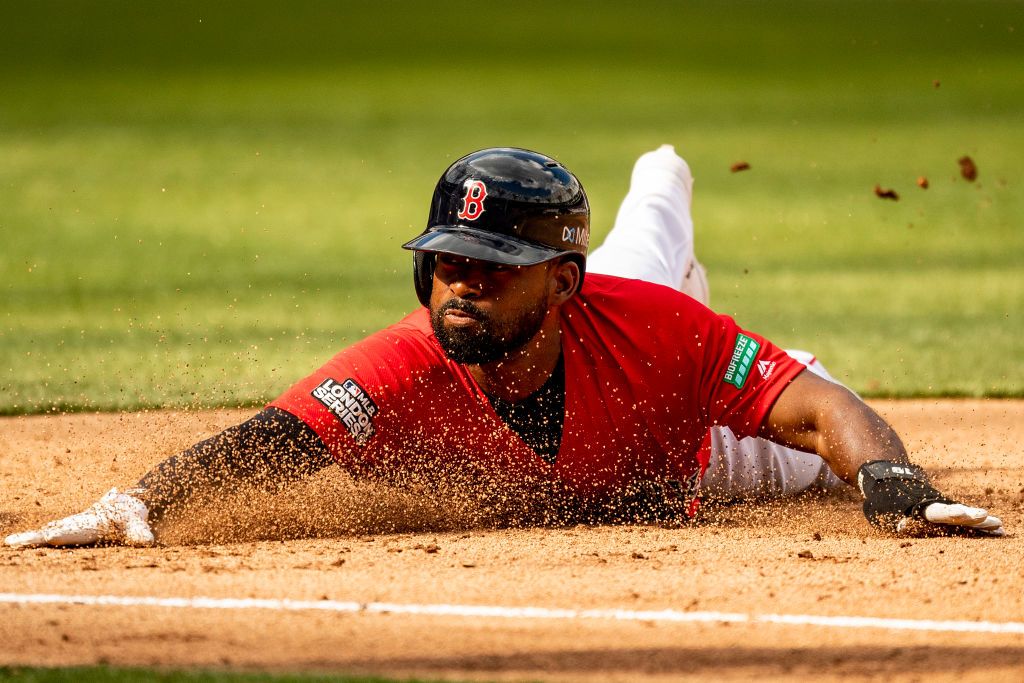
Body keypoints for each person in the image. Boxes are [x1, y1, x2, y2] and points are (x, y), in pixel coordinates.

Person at [4, 146, 1004, 548]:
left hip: (692, 426)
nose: (461, 279)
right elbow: (277, 439)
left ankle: (664, 168)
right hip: (610, 322)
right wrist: (137, 500)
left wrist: (886, 474)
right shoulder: (398, 363)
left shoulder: (651, 323)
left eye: (491, 261)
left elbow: (823, 410)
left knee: (655, 229)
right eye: (447, 257)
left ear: (560, 283)